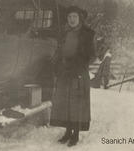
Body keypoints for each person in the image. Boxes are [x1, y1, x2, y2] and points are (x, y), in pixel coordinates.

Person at [50, 6, 96, 147]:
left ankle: (75, 135)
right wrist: (56, 64)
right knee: (65, 104)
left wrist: (79, 64)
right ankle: (67, 132)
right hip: (64, 72)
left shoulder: (88, 34)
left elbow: (93, 56)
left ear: (80, 18)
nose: (71, 19)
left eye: (74, 17)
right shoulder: (64, 33)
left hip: (78, 73)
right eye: (69, 17)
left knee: (77, 105)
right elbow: (59, 51)